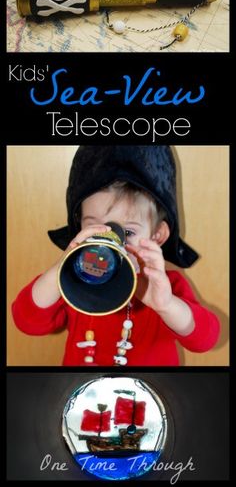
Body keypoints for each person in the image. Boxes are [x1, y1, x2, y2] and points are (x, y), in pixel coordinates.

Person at [12, 145, 220, 366]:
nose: (111, 243)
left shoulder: (167, 286)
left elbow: (205, 340)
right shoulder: (77, 280)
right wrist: (63, 268)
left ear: (157, 235)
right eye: (95, 228)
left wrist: (167, 305)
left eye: (127, 232)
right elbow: (27, 322)